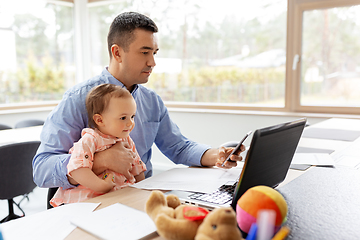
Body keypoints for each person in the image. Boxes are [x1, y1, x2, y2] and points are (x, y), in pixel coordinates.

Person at [33, 11, 244, 191]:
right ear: (117, 53)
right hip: (95, 204)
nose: (152, 62)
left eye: (154, 52)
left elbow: (178, 147)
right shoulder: (78, 99)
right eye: (144, 52)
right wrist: (100, 161)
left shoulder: (152, 101)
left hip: (139, 195)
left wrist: (216, 155)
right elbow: (41, 169)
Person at [50, 84, 146, 207]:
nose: (130, 123)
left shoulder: (126, 140)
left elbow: (137, 169)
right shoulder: (90, 140)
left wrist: (143, 192)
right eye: (123, 118)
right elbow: (77, 169)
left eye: (132, 116)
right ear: (100, 120)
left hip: (117, 197)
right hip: (88, 201)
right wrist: (102, 186)